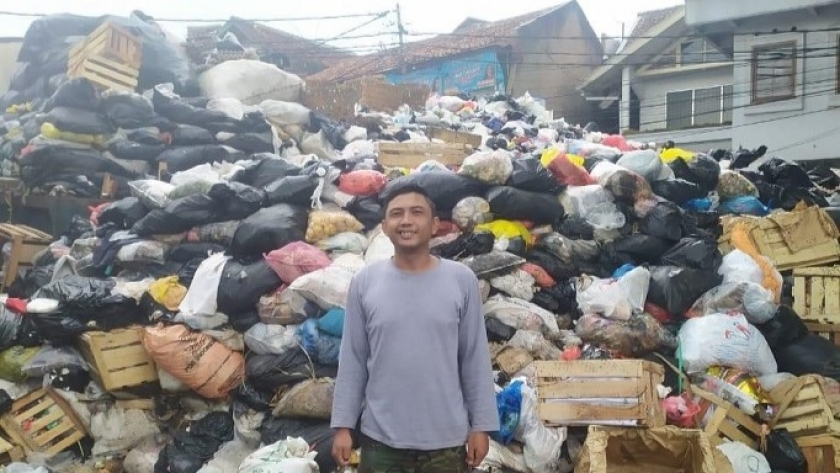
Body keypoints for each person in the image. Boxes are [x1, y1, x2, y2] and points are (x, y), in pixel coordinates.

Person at [331, 184, 499, 472]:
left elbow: (474, 358)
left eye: (416, 212)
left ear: (434, 225)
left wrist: (481, 426)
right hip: (380, 441)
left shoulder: (461, 280)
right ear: (384, 226)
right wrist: (343, 427)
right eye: (396, 214)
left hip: (446, 442)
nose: (406, 220)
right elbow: (353, 359)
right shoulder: (365, 282)